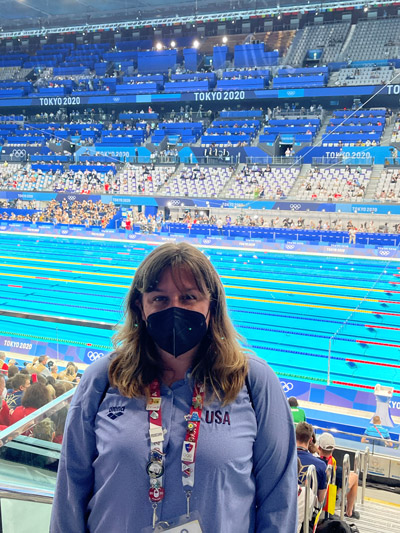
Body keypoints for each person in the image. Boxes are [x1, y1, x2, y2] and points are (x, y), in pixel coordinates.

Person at [51, 242, 298, 533]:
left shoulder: (253, 382)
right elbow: (70, 492)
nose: (175, 308)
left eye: (189, 297)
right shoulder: (103, 379)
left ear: (211, 307)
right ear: (140, 308)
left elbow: (278, 503)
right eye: (160, 299)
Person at [317, 433, 360, 519]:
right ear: (334, 449)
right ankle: (349, 512)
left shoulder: (314, 464)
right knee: (354, 476)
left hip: (314, 498)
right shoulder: (338, 471)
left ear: (318, 447)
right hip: (330, 502)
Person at [296, 422, 327, 503]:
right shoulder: (321, 465)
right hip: (307, 511)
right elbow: (321, 499)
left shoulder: (282, 457)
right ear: (310, 440)